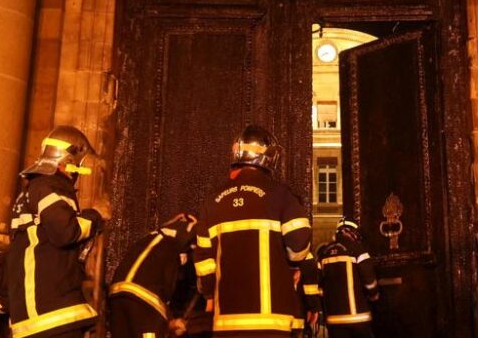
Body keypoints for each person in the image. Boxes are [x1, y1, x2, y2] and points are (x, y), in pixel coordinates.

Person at [193, 125, 313, 337]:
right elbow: (299, 242)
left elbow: (204, 262)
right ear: (269, 157)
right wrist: (292, 264)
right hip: (273, 321)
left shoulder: (212, 201)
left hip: (226, 322)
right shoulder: (280, 194)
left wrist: (210, 295)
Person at [7, 126, 107, 338]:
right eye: (79, 165)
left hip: (38, 310)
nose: (77, 172)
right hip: (52, 309)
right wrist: (96, 215)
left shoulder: (34, 188)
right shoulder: (50, 185)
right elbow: (65, 232)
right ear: (68, 161)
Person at [108, 213, 199, 338]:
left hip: (116, 294)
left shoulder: (150, 239)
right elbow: (168, 288)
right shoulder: (178, 242)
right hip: (145, 298)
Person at [316, 219, 378, 338]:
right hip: (358, 318)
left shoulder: (323, 253)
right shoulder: (357, 249)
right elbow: (369, 280)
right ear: (352, 232)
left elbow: (319, 287)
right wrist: (374, 296)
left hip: (333, 319)